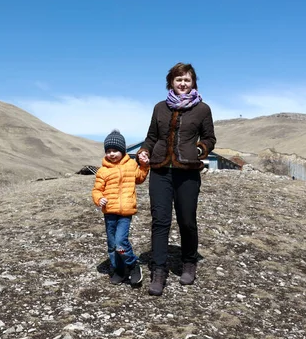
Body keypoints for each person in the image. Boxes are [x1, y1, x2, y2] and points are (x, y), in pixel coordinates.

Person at [136, 62, 216, 296]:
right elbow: (151, 137)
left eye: (187, 80)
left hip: (188, 172)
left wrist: (200, 150)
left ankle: (189, 262)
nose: (183, 83)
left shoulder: (202, 109)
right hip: (160, 170)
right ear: (171, 82)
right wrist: (144, 151)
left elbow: (210, 138)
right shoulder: (160, 108)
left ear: (193, 83)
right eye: (178, 79)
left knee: (187, 220)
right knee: (160, 221)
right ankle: (158, 271)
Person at [92, 129, 150, 286]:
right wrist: (99, 199)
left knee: (120, 242)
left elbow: (139, 178)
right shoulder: (103, 171)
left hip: (125, 212)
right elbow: (97, 190)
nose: (111, 154)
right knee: (112, 245)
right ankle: (119, 270)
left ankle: (132, 265)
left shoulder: (131, 165)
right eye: (108, 151)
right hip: (110, 212)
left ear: (123, 151)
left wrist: (144, 166)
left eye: (115, 150)